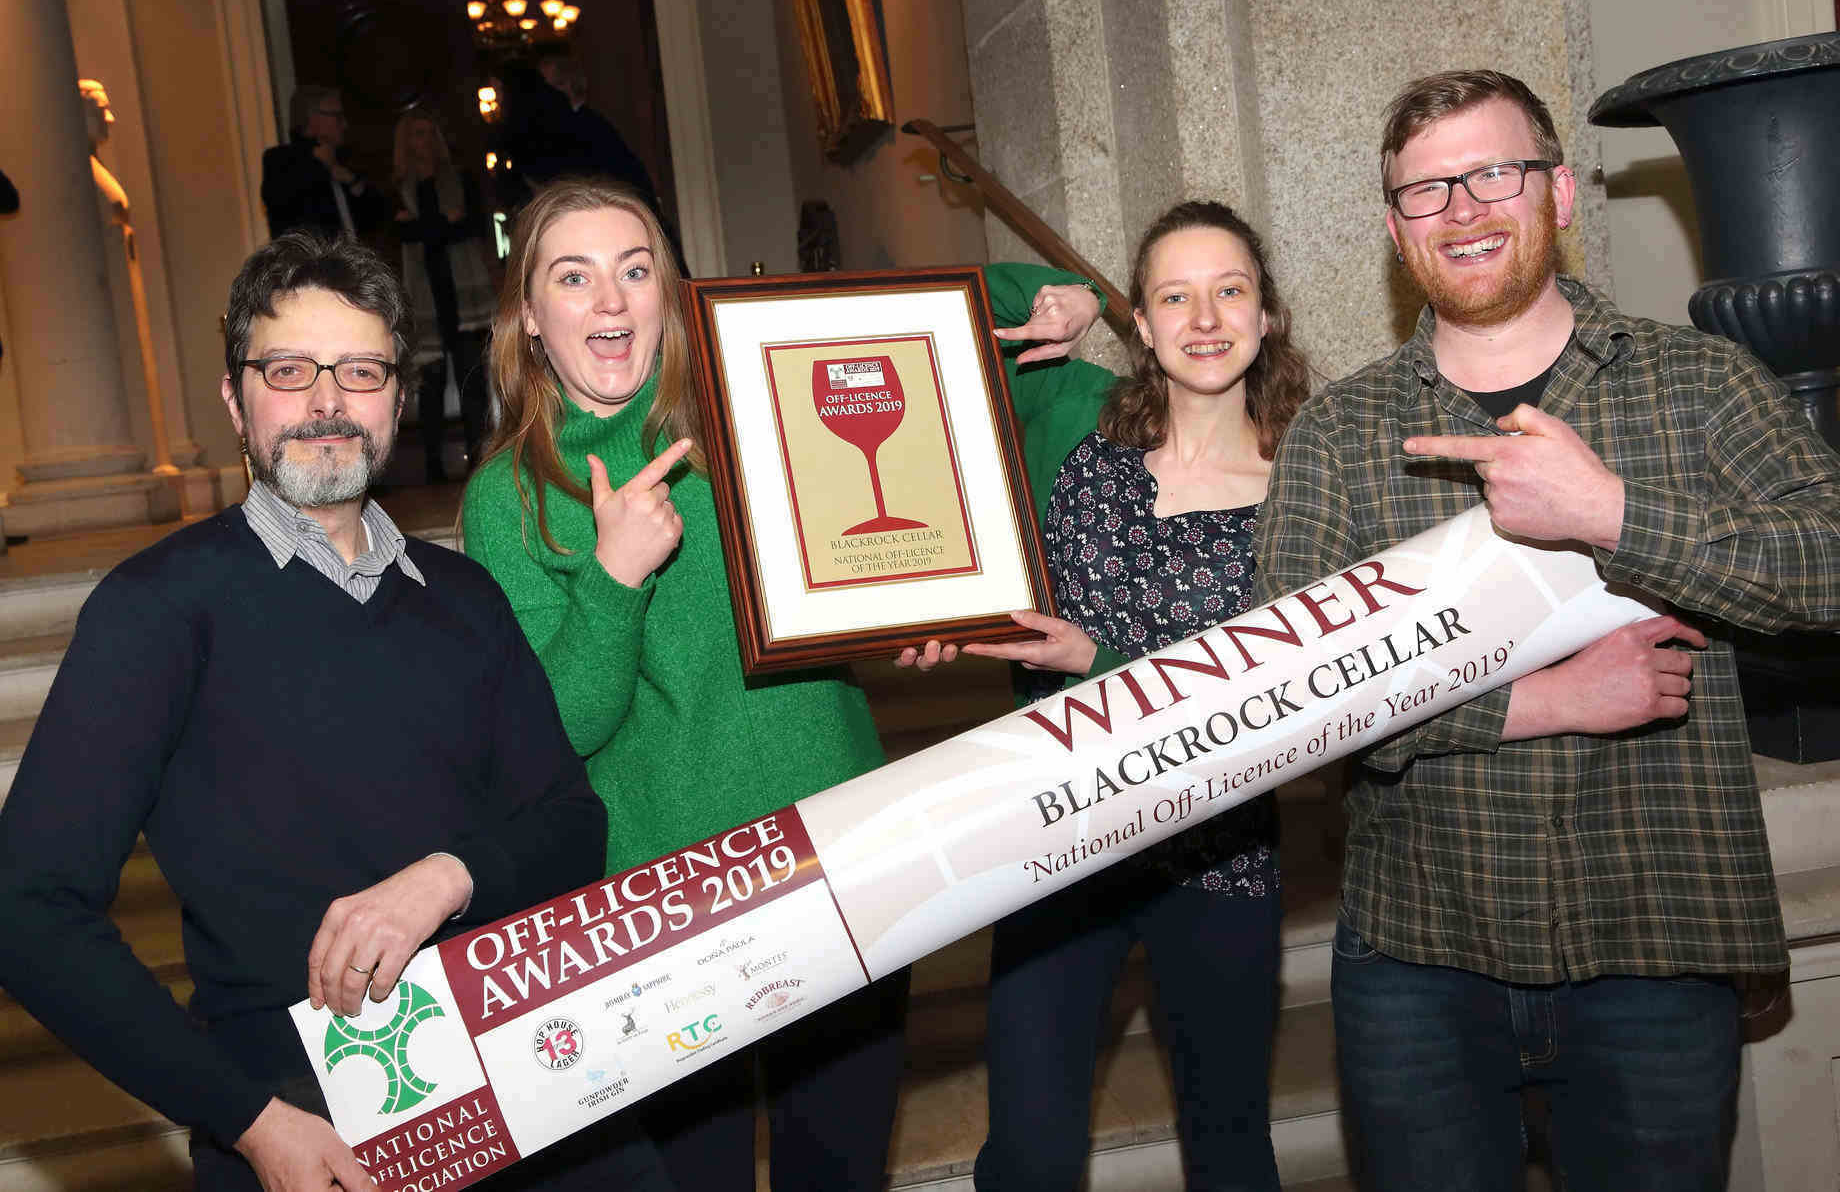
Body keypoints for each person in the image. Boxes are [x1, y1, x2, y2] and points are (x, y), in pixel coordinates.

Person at [1253, 69, 1840, 1191]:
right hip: (1418, 961)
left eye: (1493, 174)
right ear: (1394, 230)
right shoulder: (1336, 433)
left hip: (1658, 945)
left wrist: (1611, 516)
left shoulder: (1699, 383)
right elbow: (1293, 705)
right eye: (1426, 191)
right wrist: (1536, 703)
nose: (1462, 209)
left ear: (1559, 194)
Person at [0, 231, 665, 1192]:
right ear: (235, 399)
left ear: (399, 398)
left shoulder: (463, 598)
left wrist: (447, 876)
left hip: (524, 1082)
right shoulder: (158, 610)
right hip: (303, 1130)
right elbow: (26, 907)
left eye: (359, 370)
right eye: (288, 369)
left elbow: (571, 825)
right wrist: (248, 1120)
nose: (326, 402)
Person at [460, 177, 905, 1191]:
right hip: (668, 909)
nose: (611, 302)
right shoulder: (509, 496)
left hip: (842, 850)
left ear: (669, 290)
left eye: (635, 268)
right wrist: (614, 580)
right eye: (573, 277)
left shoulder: (751, 419)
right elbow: (555, 730)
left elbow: (852, 569)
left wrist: (909, 614)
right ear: (529, 316)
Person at [902, 203, 1314, 1191]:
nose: (1204, 318)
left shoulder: (1308, 475)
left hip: (1217, 859)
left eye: (1230, 291)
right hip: (1058, 846)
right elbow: (925, 339)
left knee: (1229, 1148)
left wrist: (1095, 659)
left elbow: (1284, 696)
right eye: (1174, 295)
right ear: (1139, 319)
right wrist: (1047, 301)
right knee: (1031, 1159)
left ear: (1267, 318)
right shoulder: (1073, 419)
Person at [392, 109, 494, 481]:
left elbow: (471, 225)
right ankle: (433, 466)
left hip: (462, 290)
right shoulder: (400, 187)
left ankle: (481, 459)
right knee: (430, 383)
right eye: (417, 133)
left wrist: (425, 226)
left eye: (429, 132)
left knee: (472, 378)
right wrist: (440, 224)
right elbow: (403, 235)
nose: (425, 141)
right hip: (424, 293)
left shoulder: (460, 179)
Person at [261, 85, 386, 241]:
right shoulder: (280, 159)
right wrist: (319, 165)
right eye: (338, 116)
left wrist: (352, 180)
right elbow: (284, 203)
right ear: (313, 118)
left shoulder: (342, 162)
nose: (345, 124)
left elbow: (377, 218)